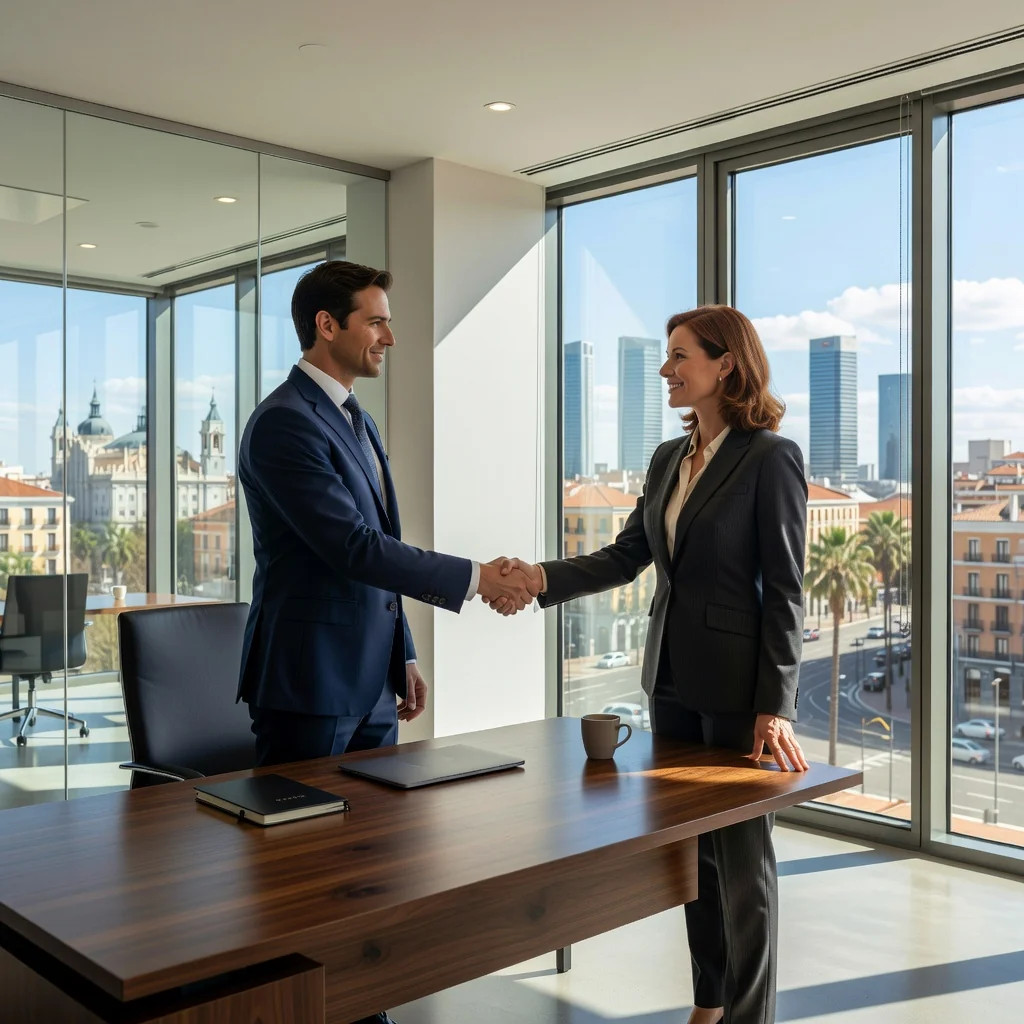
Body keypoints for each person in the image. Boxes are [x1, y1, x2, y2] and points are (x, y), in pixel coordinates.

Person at [490, 305, 809, 1024]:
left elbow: (787, 589)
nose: (667, 369)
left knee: (744, 865)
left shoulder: (770, 457)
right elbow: (627, 554)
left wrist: (777, 704)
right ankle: (711, 1000)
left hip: (737, 690)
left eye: (679, 356)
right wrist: (538, 578)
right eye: (667, 356)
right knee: (696, 856)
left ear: (726, 364)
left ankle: (750, 1015)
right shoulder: (669, 458)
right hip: (669, 679)